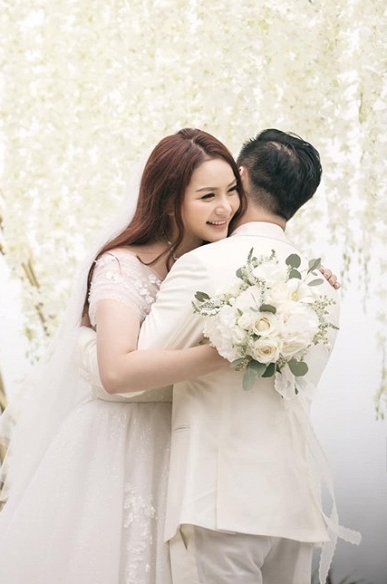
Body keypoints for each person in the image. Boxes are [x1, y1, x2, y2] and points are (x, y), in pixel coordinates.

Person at [0, 127, 244, 584]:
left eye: (231, 190)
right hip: (118, 445)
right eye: (207, 196)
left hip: (190, 443)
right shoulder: (123, 266)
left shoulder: (226, 263)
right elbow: (116, 370)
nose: (225, 207)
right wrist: (226, 352)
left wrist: (299, 289)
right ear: (171, 201)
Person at [129, 129, 360, 584]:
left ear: (241, 176)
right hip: (294, 506)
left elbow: (136, 372)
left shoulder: (202, 265)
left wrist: (86, 346)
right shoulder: (322, 287)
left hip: (216, 504)